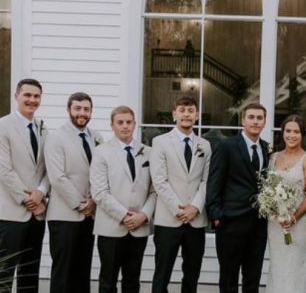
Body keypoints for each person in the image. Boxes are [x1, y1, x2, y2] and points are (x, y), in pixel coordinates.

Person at [0, 78, 48, 293]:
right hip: (11, 212)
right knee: (4, 272)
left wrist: (41, 193)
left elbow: (46, 169)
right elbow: (4, 171)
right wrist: (29, 200)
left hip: (37, 214)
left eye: (36, 96)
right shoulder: (1, 126)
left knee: (29, 273)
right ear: (17, 96)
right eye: (27, 95)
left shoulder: (42, 129)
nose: (32, 100)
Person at [90, 106, 156, 293]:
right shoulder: (101, 152)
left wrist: (143, 215)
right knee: (107, 281)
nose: (125, 126)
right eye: (120, 122)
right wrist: (125, 215)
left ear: (134, 124)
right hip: (111, 226)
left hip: (140, 226)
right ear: (112, 125)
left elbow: (154, 190)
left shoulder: (148, 152)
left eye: (129, 122)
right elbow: (100, 192)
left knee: (132, 280)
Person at [206, 103, 270, 293]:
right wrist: (216, 216)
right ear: (243, 120)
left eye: (259, 118)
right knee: (229, 277)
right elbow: (214, 182)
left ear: (265, 122)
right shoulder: (226, 146)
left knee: (253, 276)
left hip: (258, 223)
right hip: (230, 222)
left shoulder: (266, 148)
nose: (255, 122)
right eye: (251, 117)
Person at [150, 96, 212, 293]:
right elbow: (159, 181)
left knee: (192, 273)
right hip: (169, 218)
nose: (187, 114)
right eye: (182, 110)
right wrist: (180, 210)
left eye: (191, 110)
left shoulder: (205, 145)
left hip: (196, 218)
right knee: (162, 273)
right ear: (174, 114)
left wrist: (195, 207)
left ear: (197, 116)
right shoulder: (159, 142)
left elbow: (206, 180)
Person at [44, 92, 103, 293]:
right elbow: (57, 177)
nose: (82, 113)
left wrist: (94, 202)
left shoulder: (97, 137)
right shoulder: (56, 138)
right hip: (64, 215)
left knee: (82, 270)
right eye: (77, 108)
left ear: (91, 112)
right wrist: (80, 204)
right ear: (69, 110)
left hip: (90, 215)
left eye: (86, 109)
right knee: (63, 271)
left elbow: (101, 174)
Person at [265, 114, 306, 293]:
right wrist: (273, 209)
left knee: (297, 264)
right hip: (276, 223)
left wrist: (293, 218)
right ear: (282, 133)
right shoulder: (273, 157)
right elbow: (267, 189)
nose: (291, 135)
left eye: (296, 132)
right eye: (288, 131)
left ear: (302, 135)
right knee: (278, 264)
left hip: (300, 222)